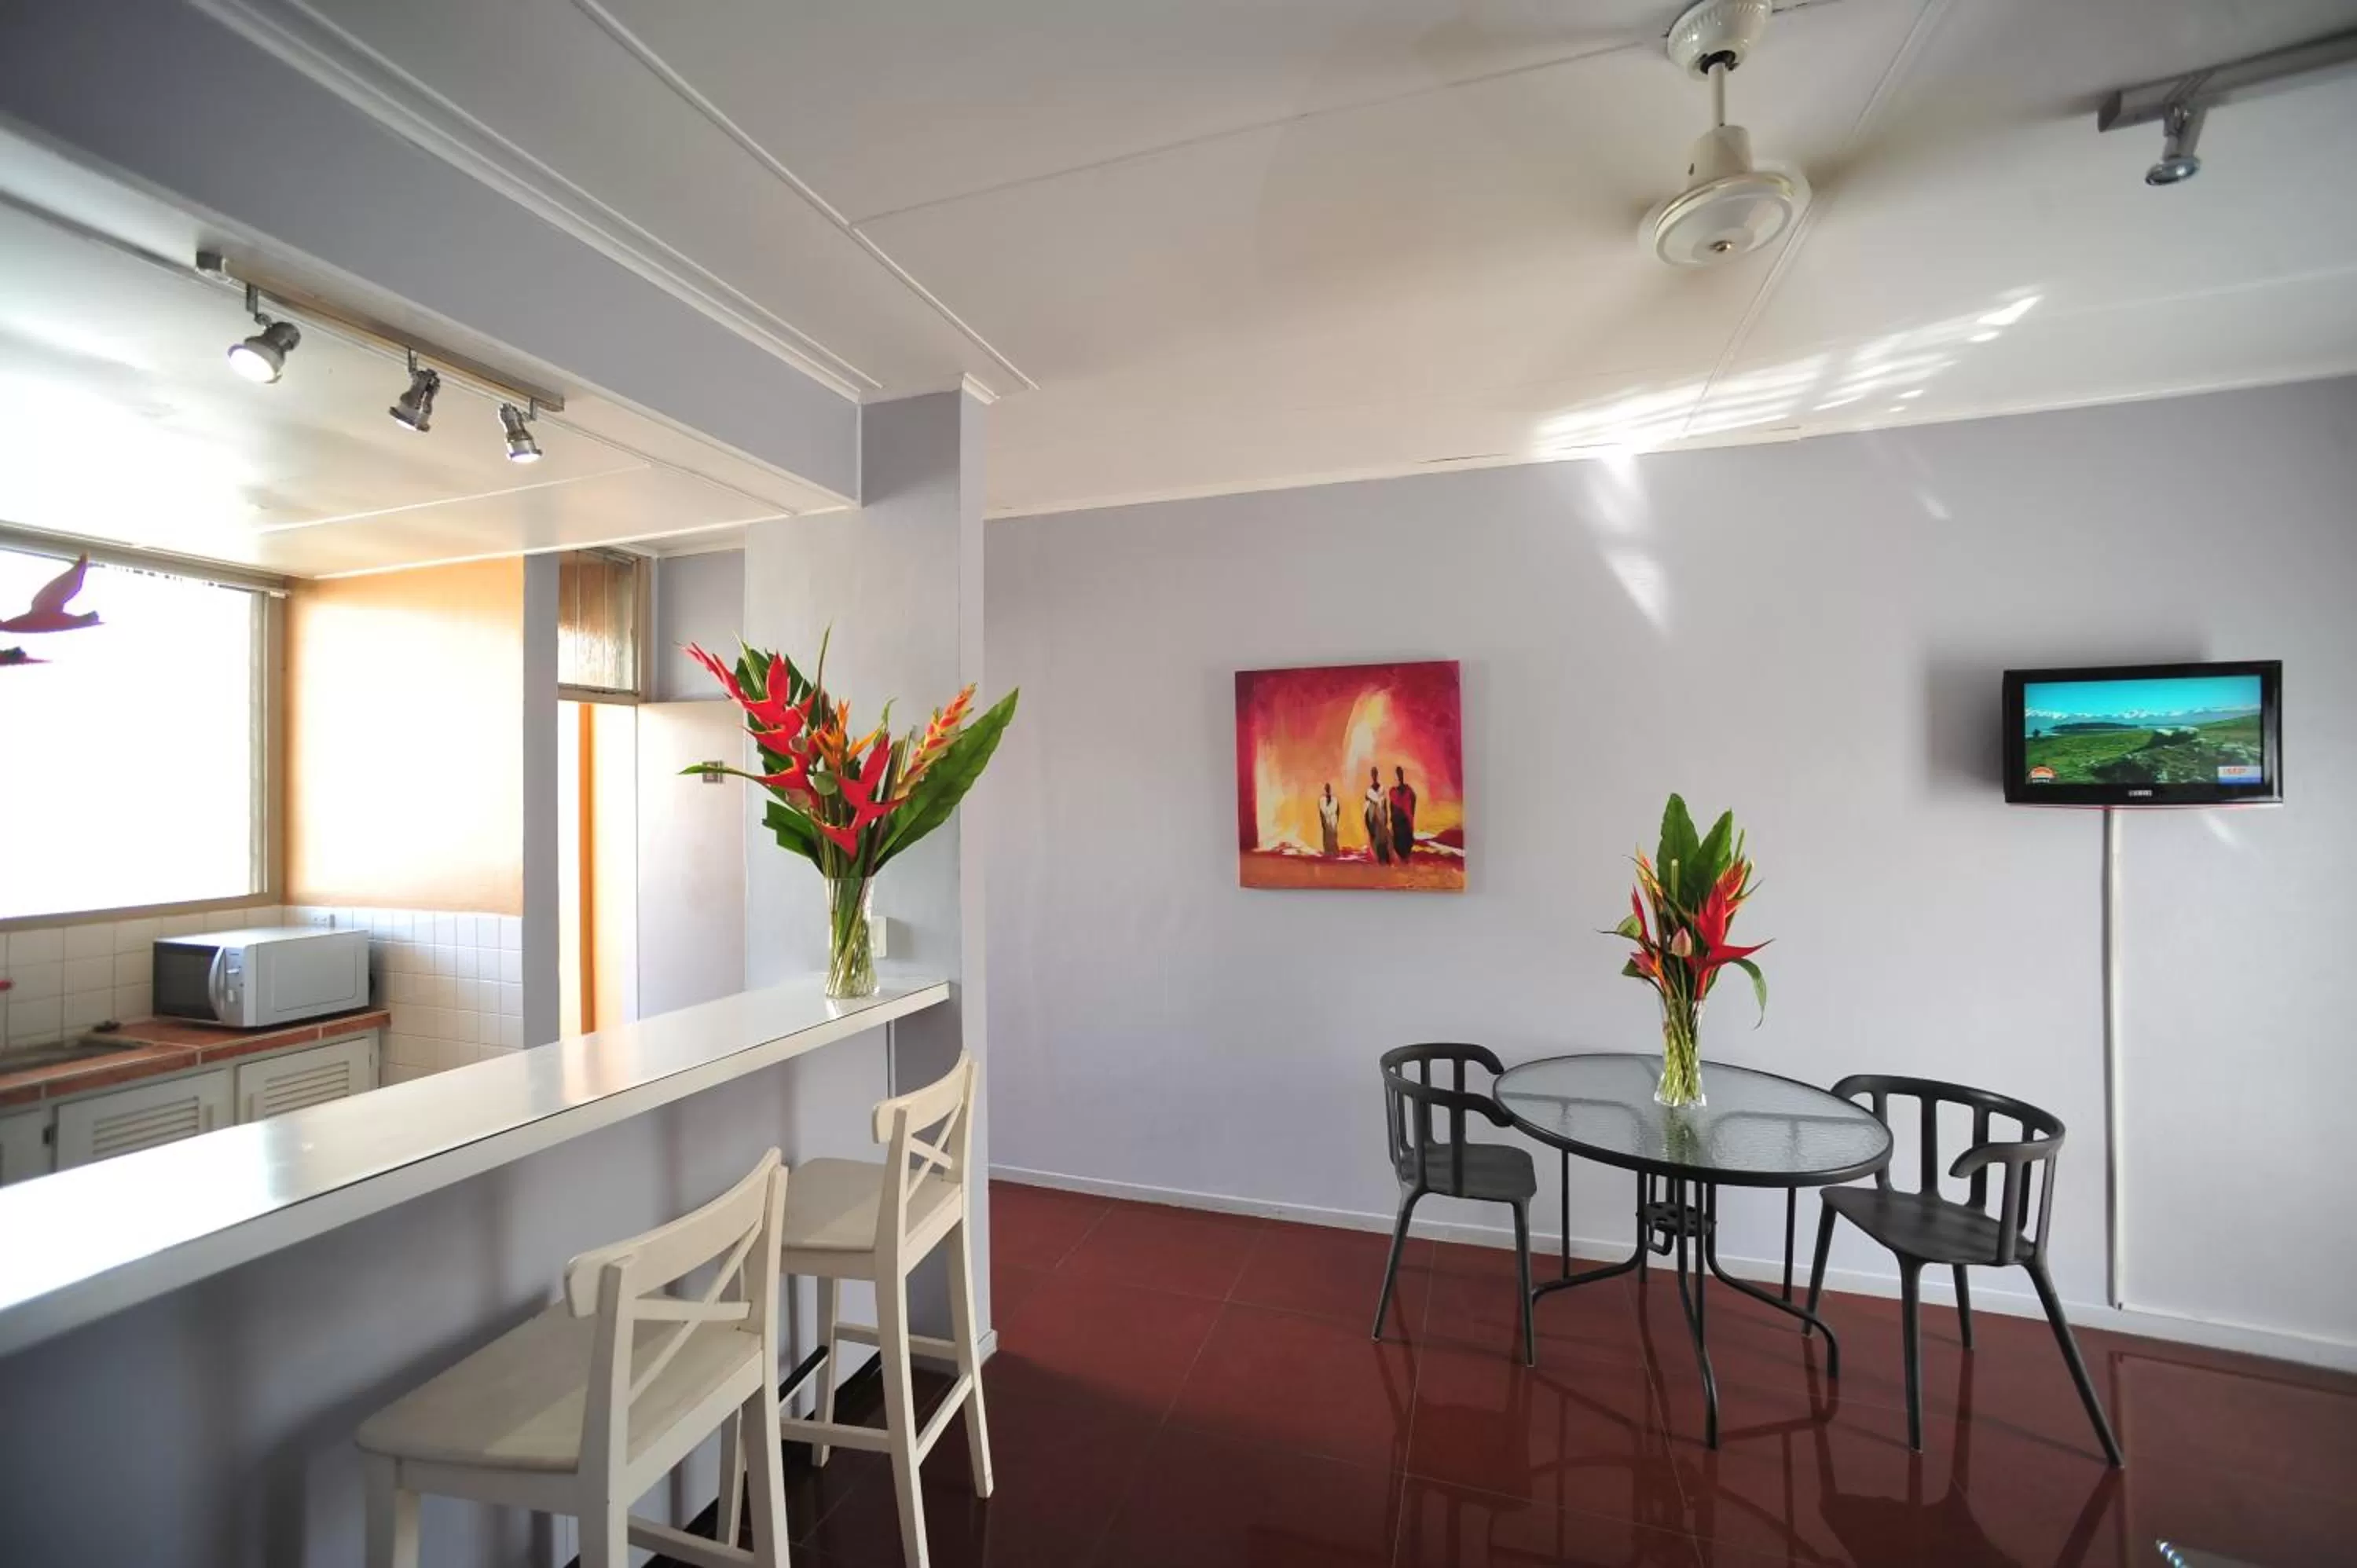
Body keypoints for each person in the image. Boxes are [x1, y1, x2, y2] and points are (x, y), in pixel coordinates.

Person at [1389, 765, 1418, 863]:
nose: (1399, 775)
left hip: (1405, 822)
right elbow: (1391, 807)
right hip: (1398, 823)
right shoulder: (1393, 792)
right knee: (1400, 847)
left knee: (1406, 847)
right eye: (1398, 773)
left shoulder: (1408, 791)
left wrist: (1411, 816)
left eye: (1400, 773)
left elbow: (1413, 801)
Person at [1363, 768, 1391, 864]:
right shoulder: (1369, 791)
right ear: (1372, 775)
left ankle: (1385, 862)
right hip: (1374, 820)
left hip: (1382, 818)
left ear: (1377, 774)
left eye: (1375, 773)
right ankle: (1381, 862)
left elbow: (1385, 804)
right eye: (1373, 774)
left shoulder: (1382, 789)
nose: (1374, 775)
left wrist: (1386, 818)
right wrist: (1369, 823)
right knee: (1377, 841)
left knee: (1383, 840)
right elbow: (1367, 808)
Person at [1318, 782, 1341, 857]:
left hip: (1333, 820)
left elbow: (1338, 811)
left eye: (1329, 788)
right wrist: (1323, 822)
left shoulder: (1335, 799)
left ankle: (1335, 853)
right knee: (1326, 837)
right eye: (1326, 788)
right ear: (1325, 789)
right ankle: (1327, 853)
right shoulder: (1322, 800)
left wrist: (1336, 820)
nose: (1328, 789)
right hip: (1326, 821)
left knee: (1334, 837)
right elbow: (1321, 812)